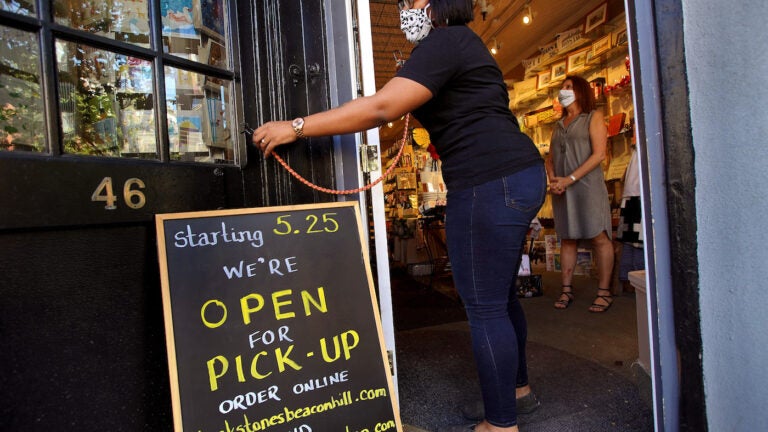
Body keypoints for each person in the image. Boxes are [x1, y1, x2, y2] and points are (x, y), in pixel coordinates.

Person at [252, 1, 546, 430]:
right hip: (516, 175)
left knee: (484, 306)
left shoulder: (446, 41)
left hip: (488, 182)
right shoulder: (464, 42)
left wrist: (295, 127)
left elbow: (381, 108)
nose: (405, 8)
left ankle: (501, 424)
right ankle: (516, 395)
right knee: (499, 298)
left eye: (410, 1)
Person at [545, 75, 614, 313]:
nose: (562, 92)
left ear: (581, 91)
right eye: (561, 88)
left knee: (598, 236)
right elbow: (550, 158)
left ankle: (604, 292)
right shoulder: (557, 125)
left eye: (567, 87)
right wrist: (553, 179)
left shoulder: (593, 117)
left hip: (587, 187)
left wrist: (570, 178)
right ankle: (566, 289)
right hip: (562, 190)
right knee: (567, 238)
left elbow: (599, 154)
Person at [616, 144, 644, 292]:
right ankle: (635, 280)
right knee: (637, 241)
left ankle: (628, 279)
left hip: (633, 192)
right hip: (639, 193)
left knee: (632, 240)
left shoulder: (636, 149)